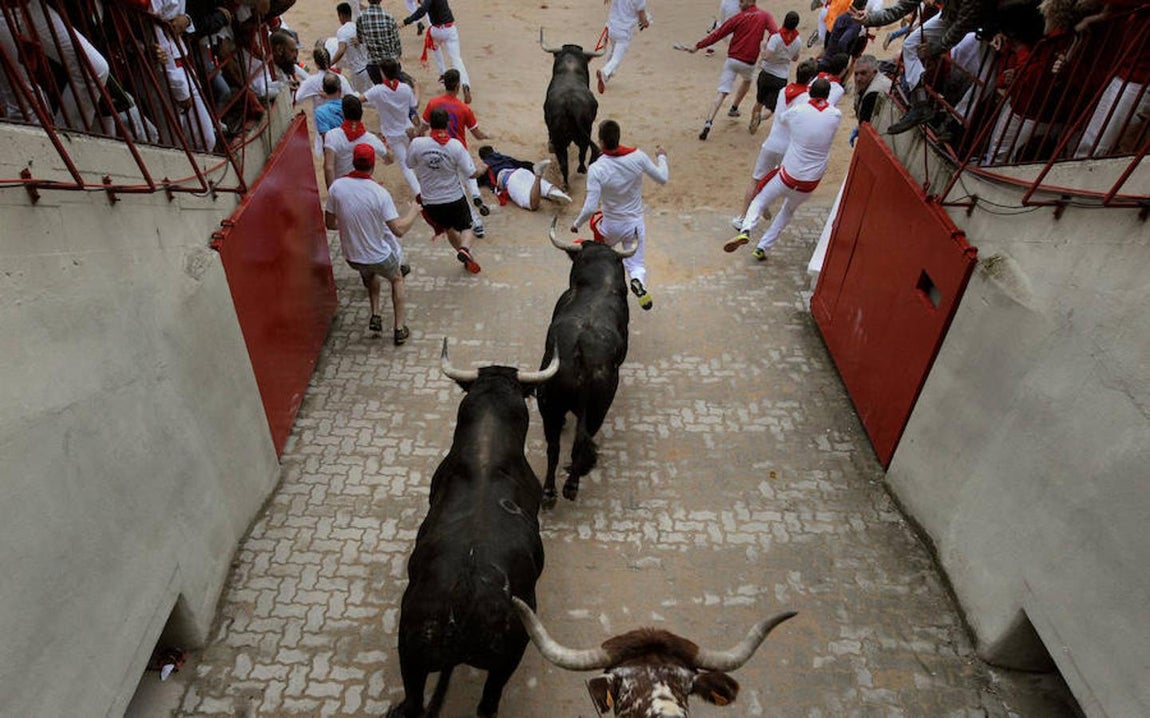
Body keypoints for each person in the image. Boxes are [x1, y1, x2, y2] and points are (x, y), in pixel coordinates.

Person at [726, 78, 841, 261]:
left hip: (789, 174)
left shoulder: (797, 111)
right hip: (810, 181)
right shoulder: (836, 115)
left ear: (810, 92)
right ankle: (763, 247)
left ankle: (747, 228)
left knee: (759, 200)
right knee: (787, 212)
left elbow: (782, 119)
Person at [325, 143, 421, 344]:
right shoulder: (379, 193)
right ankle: (399, 328)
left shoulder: (337, 187)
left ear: (352, 162)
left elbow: (330, 224)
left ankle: (376, 314)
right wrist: (413, 211)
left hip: (353, 256)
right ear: (373, 165)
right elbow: (399, 230)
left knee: (370, 276)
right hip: (378, 256)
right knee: (396, 279)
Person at [570, 120, 669, 311]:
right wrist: (662, 157)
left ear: (601, 142)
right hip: (634, 224)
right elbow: (662, 178)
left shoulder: (597, 169)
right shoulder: (638, 157)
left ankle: (599, 286)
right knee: (637, 265)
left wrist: (577, 223)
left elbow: (590, 207)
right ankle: (637, 281)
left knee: (601, 257)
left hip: (610, 226)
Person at [850, 0, 989, 133]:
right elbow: (901, 7)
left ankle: (953, 125)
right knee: (910, 45)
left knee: (984, 78)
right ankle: (920, 103)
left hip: (982, 29)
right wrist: (869, 19)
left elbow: (963, 24)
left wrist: (936, 48)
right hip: (952, 17)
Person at [733, 58, 819, 229]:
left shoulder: (783, 91)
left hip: (772, 142)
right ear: (810, 79)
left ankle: (743, 217)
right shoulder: (808, 99)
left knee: (755, 180)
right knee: (783, 184)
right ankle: (764, 205)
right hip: (789, 148)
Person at [407, 107, 484, 274]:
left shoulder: (418, 144)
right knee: (467, 227)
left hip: (431, 201)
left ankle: (465, 255)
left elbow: (409, 164)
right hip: (454, 197)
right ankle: (465, 248)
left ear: (429, 125)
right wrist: (483, 168)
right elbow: (471, 173)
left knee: (449, 229)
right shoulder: (455, 146)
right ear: (448, 124)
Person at [688, 0, 778, 140]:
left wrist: (698, 46)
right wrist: (767, 47)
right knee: (747, 80)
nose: (739, 4)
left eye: (742, 1)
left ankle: (708, 122)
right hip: (749, 61)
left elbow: (717, 34)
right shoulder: (765, 15)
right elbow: (775, 33)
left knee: (721, 92)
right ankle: (734, 107)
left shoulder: (738, 18)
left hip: (732, 60)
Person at [422, 69, 490, 236]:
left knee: (458, 188)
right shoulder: (463, 108)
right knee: (471, 173)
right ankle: (475, 194)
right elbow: (476, 133)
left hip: (441, 150)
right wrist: (487, 136)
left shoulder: (433, 103)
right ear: (458, 85)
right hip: (460, 148)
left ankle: (476, 221)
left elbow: (423, 126)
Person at [362, 57, 422, 196]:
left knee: (405, 165)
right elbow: (414, 104)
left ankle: (419, 194)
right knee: (416, 159)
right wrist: (418, 89)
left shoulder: (377, 90)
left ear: (382, 73)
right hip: (408, 129)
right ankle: (424, 184)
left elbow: (360, 99)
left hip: (392, 134)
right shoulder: (405, 88)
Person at [402, 0, 473, 104]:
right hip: (450, 29)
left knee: (435, 46)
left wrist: (406, 22)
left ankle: (442, 72)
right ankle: (465, 84)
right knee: (457, 59)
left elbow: (422, 11)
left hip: (437, 31)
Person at [749, 10, 802, 133]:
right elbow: (795, 58)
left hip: (767, 72)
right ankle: (760, 118)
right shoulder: (797, 41)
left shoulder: (776, 37)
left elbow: (766, 56)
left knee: (759, 101)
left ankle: (752, 122)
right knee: (770, 108)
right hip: (781, 77)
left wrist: (762, 47)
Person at [323, 95, 390, 188]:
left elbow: (329, 168)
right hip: (363, 188)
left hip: (340, 187)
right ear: (361, 113)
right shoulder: (371, 138)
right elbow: (389, 158)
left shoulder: (331, 135)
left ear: (343, 113)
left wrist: (332, 191)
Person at [476, 147, 572, 210]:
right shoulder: (503, 157)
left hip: (509, 179)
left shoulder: (485, 164)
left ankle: (538, 176)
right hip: (521, 171)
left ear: (482, 158)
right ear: (493, 151)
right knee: (545, 187)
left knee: (532, 205)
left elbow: (477, 181)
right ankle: (555, 192)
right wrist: (533, 166)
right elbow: (521, 163)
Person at [596, 0, 651, 94]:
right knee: (617, 58)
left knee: (613, 49)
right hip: (624, 31)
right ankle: (605, 72)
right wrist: (646, 23)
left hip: (612, 27)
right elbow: (642, 16)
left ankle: (608, 74)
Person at [357, 0, 404, 85]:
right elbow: (397, 45)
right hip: (391, 65)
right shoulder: (389, 17)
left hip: (373, 65)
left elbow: (360, 39)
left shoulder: (361, 18)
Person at [848, 53, 891, 145]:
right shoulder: (878, 80)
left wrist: (859, 129)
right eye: (856, 74)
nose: (858, 78)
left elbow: (865, 126)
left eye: (863, 73)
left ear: (874, 72)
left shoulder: (872, 94)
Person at [332, 2, 372, 92]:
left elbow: (341, 50)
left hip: (358, 72)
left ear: (341, 15)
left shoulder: (342, 31)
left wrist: (330, 63)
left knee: (357, 99)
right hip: (369, 68)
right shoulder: (358, 27)